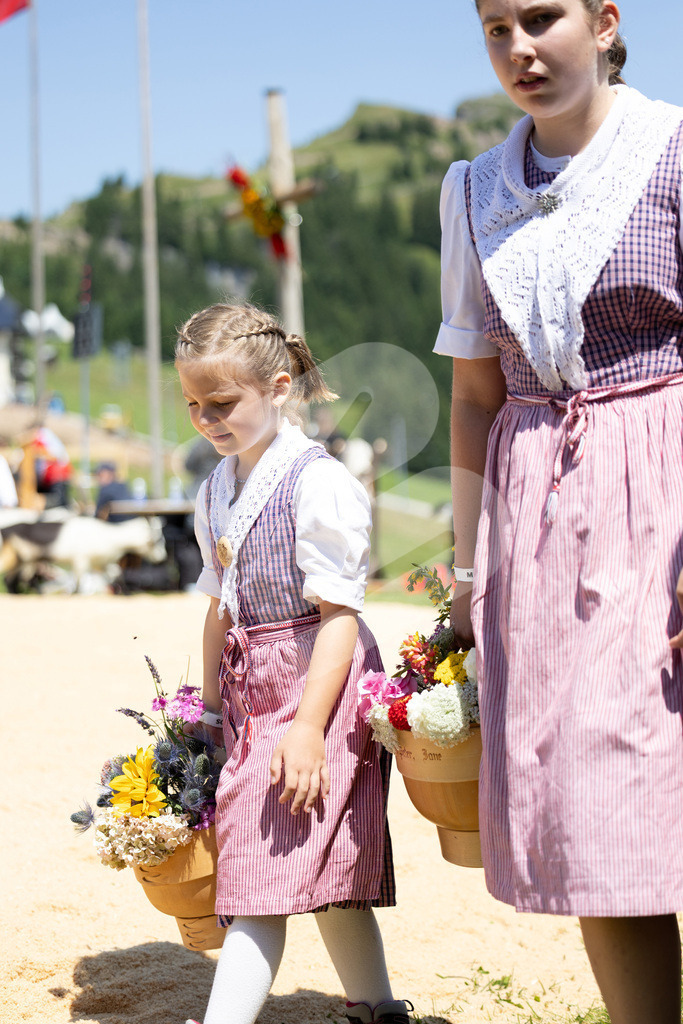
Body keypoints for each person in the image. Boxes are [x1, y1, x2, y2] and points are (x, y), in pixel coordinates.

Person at [435, 3, 683, 1023]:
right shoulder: (470, 191)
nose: (517, 49)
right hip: (540, 520)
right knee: (600, 813)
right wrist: (464, 570)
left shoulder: (670, 152)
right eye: (495, 27)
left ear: (604, 19)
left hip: (665, 497)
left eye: (541, 17)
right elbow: (472, 394)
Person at [175, 303, 410, 1024]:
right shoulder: (215, 490)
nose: (207, 419)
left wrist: (307, 728)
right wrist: (208, 710)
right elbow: (221, 608)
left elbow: (340, 617)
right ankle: (376, 1011)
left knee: (258, 875)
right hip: (255, 694)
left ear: (278, 387)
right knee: (318, 865)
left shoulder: (319, 483)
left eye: (223, 402)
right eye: (192, 405)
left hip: (318, 690)